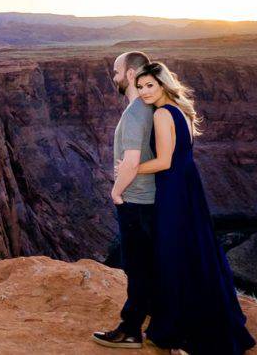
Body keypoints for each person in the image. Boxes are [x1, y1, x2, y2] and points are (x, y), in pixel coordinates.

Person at [129, 61, 256, 355]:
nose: (144, 92)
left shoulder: (162, 113)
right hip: (189, 186)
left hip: (173, 189)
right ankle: (205, 321)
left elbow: (164, 161)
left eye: (150, 85)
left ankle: (180, 333)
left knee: (172, 255)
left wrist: (131, 168)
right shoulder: (181, 109)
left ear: (163, 84)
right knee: (195, 251)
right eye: (140, 87)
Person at [92, 51, 158, 349]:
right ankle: (156, 322)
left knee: (137, 267)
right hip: (150, 200)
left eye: (117, 71)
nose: (114, 76)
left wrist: (116, 192)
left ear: (131, 74)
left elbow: (131, 162)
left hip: (135, 200)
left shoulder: (134, 112)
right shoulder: (150, 106)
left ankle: (131, 329)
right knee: (148, 264)